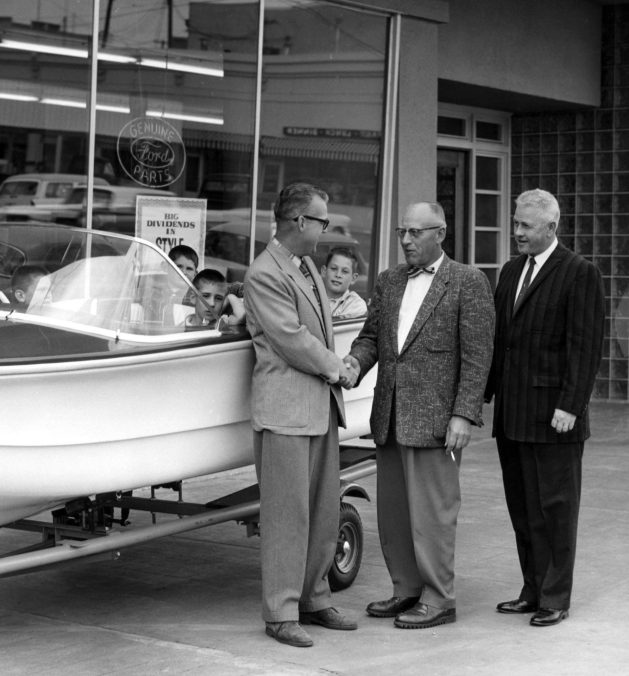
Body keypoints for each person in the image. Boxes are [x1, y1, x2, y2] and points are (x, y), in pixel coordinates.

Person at [345, 201, 494, 629]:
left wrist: (464, 415)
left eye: (415, 232)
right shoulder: (389, 281)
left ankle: (439, 598)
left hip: (437, 423)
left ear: (440, 233)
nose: (406, 240)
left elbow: (478, 356)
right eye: (401, 232)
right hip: (390, 417)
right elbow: (371, 336)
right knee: (394, 514)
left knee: (433, 515)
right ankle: (405, 590)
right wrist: (355, 363)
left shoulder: (468, 281)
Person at [244, 182, 358, 648]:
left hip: (319, 409)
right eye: (321, 221)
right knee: (287, 516)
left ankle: (314, 598)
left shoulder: (307, 266)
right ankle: (280, 612)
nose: (325, 230)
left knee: (321, 512)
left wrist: (338, 369)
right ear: (297, 222)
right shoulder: (264, 273)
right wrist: (339, 368)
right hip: (288, 412)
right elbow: (291, 338)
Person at [484, 189, 604, 627]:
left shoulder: (579, 272)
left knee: (555, 508)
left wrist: (571, 404)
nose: (516, 232)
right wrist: (483, 394)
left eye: (525, 226)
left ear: (551, 228)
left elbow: (586, 345)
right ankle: (532, 589)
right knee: (523, 508)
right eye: (515, 223)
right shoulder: (511, 270)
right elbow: (502, 340)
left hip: (556, 417)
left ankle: (555, 597)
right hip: (513, 413)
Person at [320, 246, 367, 319]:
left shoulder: (356, 304)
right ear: (324, 271)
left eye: (345, 271)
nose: (338, 275)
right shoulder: (310, 296)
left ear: (353, 278)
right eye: (334, 269)